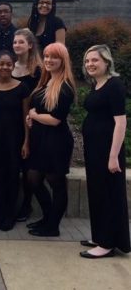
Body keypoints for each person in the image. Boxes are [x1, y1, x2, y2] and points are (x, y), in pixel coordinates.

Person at [79, 45, 130, 258]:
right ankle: (100, 235)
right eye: (87, 61)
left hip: (107, 151)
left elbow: (120, 122)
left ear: (106, 62)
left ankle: (108, 243)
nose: (90, 64)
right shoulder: (97, 84)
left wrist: (113, 157)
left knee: (108, 194)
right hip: (95, 149)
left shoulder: (114, 85)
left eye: (95, 60)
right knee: (97, 192)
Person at [26, 42, 76, 237]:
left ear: (62, 60)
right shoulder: (45, 81)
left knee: (56, 182)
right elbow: (39, 110)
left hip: (56, 142)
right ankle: (48, 217)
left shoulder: (65, 87)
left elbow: (55, 119)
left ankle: (53, 225)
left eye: (53, 57)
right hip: (40, 139)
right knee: (33, 179)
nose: (48, 60)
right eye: (46, 56)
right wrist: (31, 118)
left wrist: (34, 115)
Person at [0, 50, 30, 231]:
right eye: (1, 64)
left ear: (13, 65)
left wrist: (26, 141)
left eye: (9, 64)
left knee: (12, 178)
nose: (5, 67)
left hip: (15, 140)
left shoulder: (22, 88)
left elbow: (26, 117)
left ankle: (10, 215)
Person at [12, 28, 43, 221]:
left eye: (21, 42)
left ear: (30, 45)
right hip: (11, 121)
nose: (17, 45)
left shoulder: (39, 70)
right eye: (15, 42)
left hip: (33, 121)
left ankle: (26, 205)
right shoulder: (10, 66)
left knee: (28, 166)